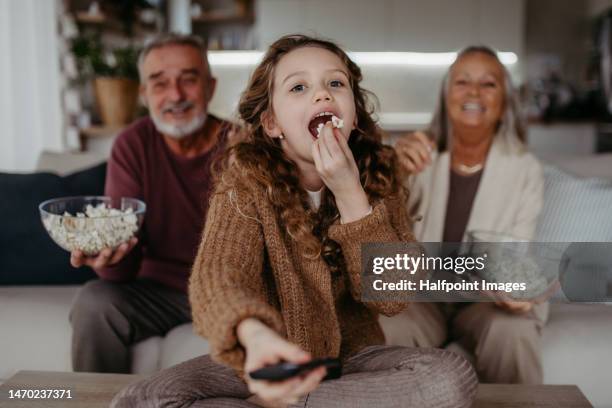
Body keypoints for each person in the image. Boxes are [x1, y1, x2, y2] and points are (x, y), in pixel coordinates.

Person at [110, 34, 478, 408]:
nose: (322, 95)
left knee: (451, 378)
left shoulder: (379, 176)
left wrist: (351, 193)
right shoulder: (244, 184)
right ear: (272, 123)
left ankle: (292, 403)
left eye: (336, 83)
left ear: (353, 113)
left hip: (350, 364)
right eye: (299, 87)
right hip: (266, 361)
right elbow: (219, 275)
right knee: (144, 398)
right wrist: (254, 336)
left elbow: (394, 297)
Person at [69, 33, 232, 373]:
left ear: (211, 87)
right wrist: (109, 256)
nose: (175, 95)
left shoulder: (240, 146)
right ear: (144, 94)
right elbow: (121, 265)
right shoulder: (132, 145)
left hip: (231, 290)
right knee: (94, 302)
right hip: (158, 292)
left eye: (189, 79)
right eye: (160, 84)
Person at [384, 46, 547, 384]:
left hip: (485, 300)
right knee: (390, 325)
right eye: (462, 82)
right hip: (422, 294)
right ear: (446, 97)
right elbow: (384, 231)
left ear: (505, 103)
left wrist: (517, 287)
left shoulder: (524, 169)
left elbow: (515, 254)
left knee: (512, 332)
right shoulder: (416, 155)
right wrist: (392, 173)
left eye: (488, 84)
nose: (474, 92)